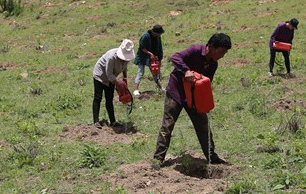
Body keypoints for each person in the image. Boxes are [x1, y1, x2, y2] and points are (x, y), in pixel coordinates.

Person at [153, 33, 232, 166]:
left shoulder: (213, 64)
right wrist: (186, 70)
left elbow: (206, 84)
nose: (222, 55)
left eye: (225, 53)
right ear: (212, 46)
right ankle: (157, 159)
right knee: (167, 125)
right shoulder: (195, 50)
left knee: (203, 126)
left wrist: (204, 102)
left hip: (194, 97)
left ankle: (211, 157)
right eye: (221, 51)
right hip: (176, 92)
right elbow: (175, 57)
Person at [92, 39, 135, 127]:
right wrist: (118, 84)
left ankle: (113, 121)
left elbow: (124, 68)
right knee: (98, 97)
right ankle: (96, 121)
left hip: (112, 77)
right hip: (100, 75)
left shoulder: (127, 58)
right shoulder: (111, 57)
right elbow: (109, 73)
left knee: (109, 99)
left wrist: (125, 80)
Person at [133, 24, 165, 97]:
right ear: (155, 32)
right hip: (143, 56)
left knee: (155, 72)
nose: (160, 35)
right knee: (141, 72)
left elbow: (160, 49)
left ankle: (160, 88)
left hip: (152, 58)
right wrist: (150, 53)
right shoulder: (146, 36)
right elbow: (142, 47)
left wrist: (159, 60)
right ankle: (136, 90)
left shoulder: (158, 37)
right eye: (159, 33)